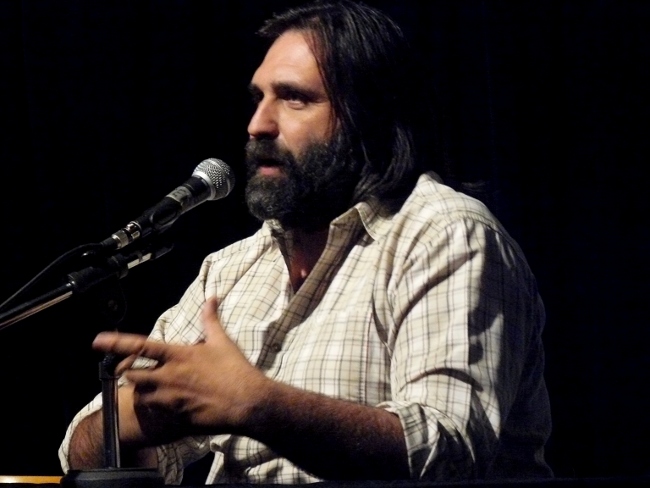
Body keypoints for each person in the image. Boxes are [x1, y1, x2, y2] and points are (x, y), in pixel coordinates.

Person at [59, 0, 553, 484]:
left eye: (294, 98)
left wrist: (255, 404)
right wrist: (132, 423)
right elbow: (77, 455)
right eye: (259, 98)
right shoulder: (232, 269)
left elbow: (451, 452)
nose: (258, 124)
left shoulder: (445, 234)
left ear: (369, 115)